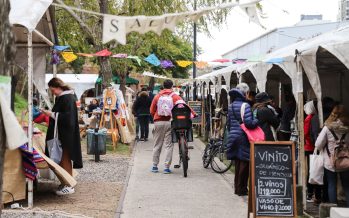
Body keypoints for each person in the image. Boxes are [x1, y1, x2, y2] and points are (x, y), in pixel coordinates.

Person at [43, 78, 83, 196]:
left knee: (64, 159)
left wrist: (51, 114)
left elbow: (68, 118)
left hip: (65, 135)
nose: (52, 92)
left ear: (58, 87)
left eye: (53, 90)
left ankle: (68, 185)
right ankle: (65, 182)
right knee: (62, 159)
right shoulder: (65, 97)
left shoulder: (67, 98)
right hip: (63, 134)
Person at [226, 83, 259, 196]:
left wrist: (233, 133)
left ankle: (237, 188)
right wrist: (256, 121)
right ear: (245, 93)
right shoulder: (246, 106)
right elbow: (249, 123)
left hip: (233, 136)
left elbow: (229, 124)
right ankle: (242, 189)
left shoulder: (231, 105)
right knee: (244, 163)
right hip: (243, 137)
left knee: (238, 163)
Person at [315, 105, 349, 207]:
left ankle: (334, 209)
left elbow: (318, 144)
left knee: (331, 184)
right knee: (347, 186)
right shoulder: (348, 128)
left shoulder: (327, 128)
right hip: (345, 160)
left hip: (330, 161)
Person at [150, 80, 183, 174]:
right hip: (170, 122)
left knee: (157, 144)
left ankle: (154, 166)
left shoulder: (157, 96)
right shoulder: (175, 97)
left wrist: (156, 118)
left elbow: (152, 110)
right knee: (169, 145)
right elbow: (182, 107)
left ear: (163, 86)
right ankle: (166, 167)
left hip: (158, 122)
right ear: (172, 86)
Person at [303, 100, 322, 204]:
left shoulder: (309, 117)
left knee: (312, 170)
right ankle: (312, 194)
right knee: (313, 170)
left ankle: (310, 194)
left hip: (309, 147)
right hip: (311, 147)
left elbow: (305, 133)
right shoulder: (313, 117)